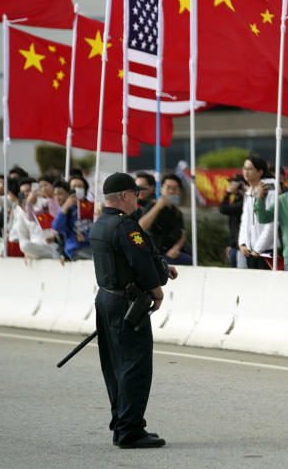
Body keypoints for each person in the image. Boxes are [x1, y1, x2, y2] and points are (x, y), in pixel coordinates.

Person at [91, 172, 177, 449]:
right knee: (135, 366)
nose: (139, 199)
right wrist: (157, 290)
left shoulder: (101, 224)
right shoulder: (126, 227)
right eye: (136, 194)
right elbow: (139, 262)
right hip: (127, 304)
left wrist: (163, 265)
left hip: (107, 300)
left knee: (114, 365)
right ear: (125, 196)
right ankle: (130, 430)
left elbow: (126, 259)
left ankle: (122, 423)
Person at [136, 174, 191, 266]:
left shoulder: (177, 212)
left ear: (180, 191)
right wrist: (158, 207)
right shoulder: (152, 205)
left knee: (190, 261)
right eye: (168, 187)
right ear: (161, 189)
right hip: (155, 253)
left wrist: (176, 248)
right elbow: (141, 227)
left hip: (171, 252)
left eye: (175, 188)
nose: (172, 191)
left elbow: (182, 233)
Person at [237, 155, 277, 270]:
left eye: (250, 169)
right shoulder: (249, 191)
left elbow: (272, 223)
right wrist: (242, 243)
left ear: (260, 172)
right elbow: (245, 221)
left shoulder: (270, 189)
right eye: (244, 168)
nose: (246, 172)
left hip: (266, 251)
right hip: (250, 251)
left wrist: (258, 249)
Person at [52, 180, 93, 261]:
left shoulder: (91, 207)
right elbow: (57, 227)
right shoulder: (66, 210)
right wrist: (66, 207)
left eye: (79, 187)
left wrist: (86, 238)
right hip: (75, 249)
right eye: (73, 187)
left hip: (91, 246)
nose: (76, 189)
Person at [219, 174, 245, 267]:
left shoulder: (245, 202)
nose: (231, 186)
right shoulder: (235, 201)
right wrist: (229, 244)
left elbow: (223, 209)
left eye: (234, 184)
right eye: (231, 184)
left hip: (241, 247)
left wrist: (228, 193)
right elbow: (232, 225)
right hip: (234, 246)